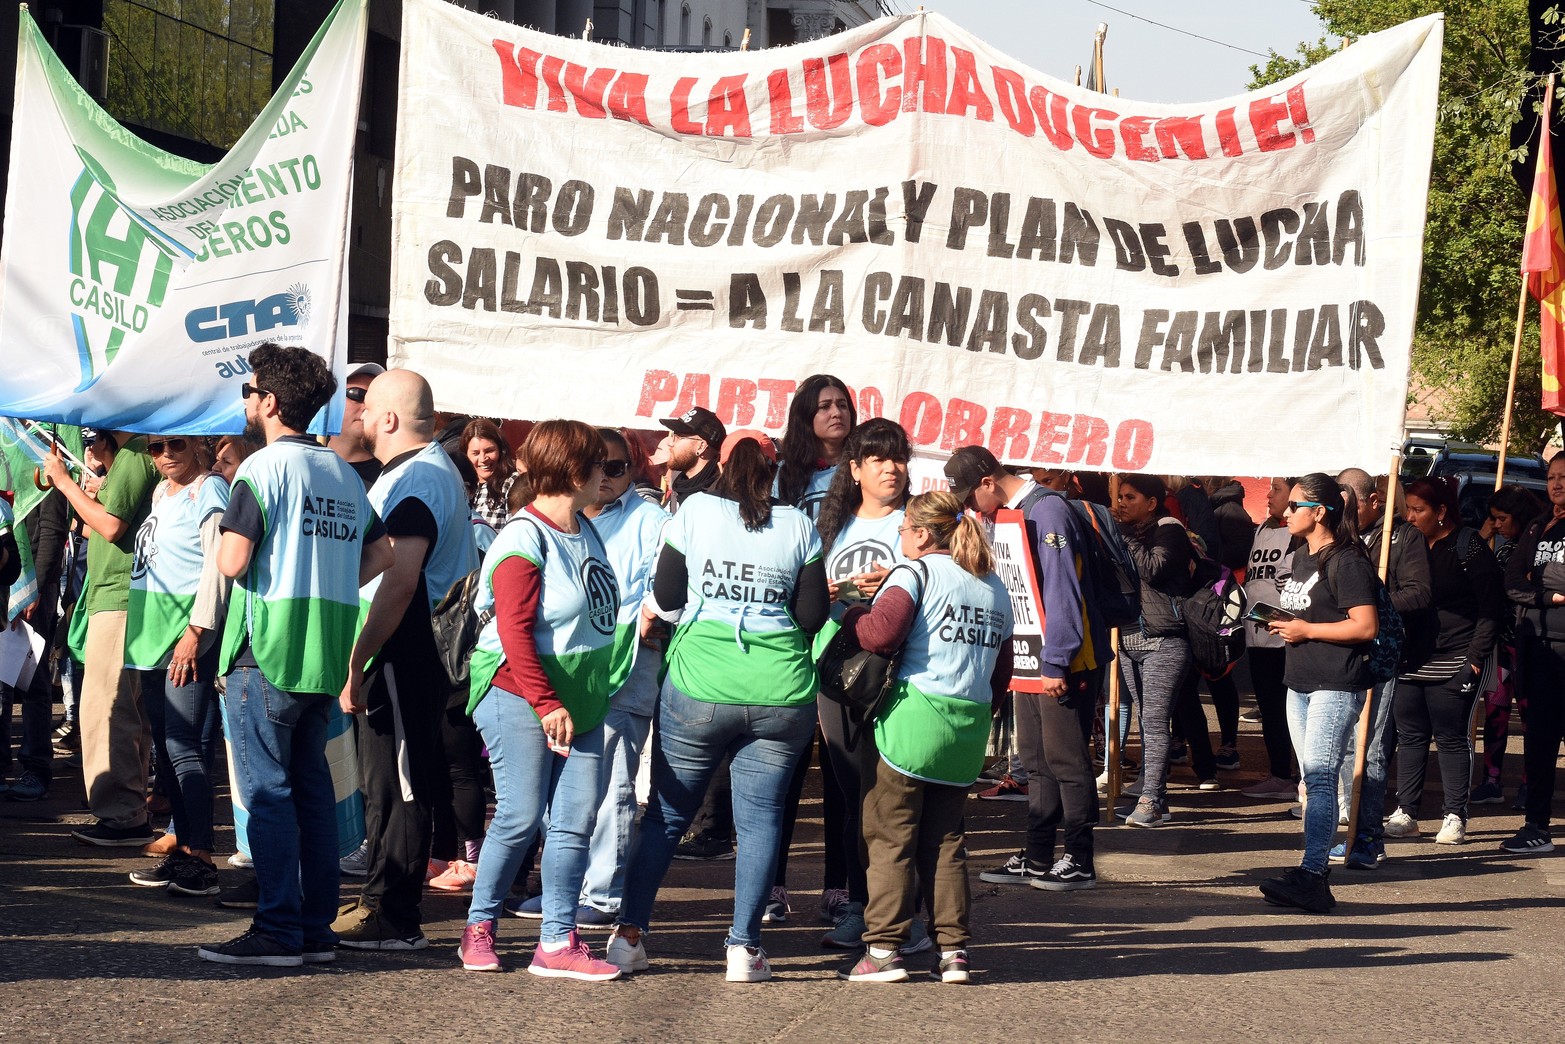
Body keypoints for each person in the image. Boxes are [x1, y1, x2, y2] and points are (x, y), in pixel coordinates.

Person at [605, 430, 829, 983]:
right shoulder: (799, 525)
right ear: (772, 469)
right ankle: (743, 948)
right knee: (759, 824)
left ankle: (630, 936)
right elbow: (811, 616)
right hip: (780, 692)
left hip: (699, 683)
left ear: (721, 464)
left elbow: (670, 597)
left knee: (665, 816)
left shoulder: (696, 510)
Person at [197, 343, 392, 967]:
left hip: (268, 649)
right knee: (309, 792)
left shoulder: (262, 468)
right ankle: (314, 927)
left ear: (272, 403)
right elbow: (382, 555)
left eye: (249, 393)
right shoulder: (340, 470)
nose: (246, 403)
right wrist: (329, 575)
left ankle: (278, 929)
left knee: (269, 795)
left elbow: (231, 562)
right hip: (325, 652)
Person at [456, 420, 630, 979]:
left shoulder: (585, 528)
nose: (608, 473)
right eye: (600, 464)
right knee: (520, 814)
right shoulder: (522, 537)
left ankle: (557, 942)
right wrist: (546, 701)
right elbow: (513, 630)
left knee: (574, 820)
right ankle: (478, 928)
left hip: (579, 700)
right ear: (574, 470)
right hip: (518, 691)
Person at [837, 491, 1013, 984]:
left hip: (912, 723)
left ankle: (883, 951)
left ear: (920, 532)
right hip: (967, 729)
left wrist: (850, 612)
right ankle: (953, 951)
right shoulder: (994, 587)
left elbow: (880, 634)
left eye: (903, 529)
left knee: (890, 836)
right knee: (946, 840)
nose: (899, 536)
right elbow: (1001, 671)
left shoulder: (914, 574)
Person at [333, 369, 480, 950]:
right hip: (407, 651)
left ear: (390, 419)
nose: (362, 418)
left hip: (404, 650)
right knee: (388, 781)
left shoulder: (416, 479)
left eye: (367, 408)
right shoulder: (420, 474)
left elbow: (398, 580)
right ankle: (378, 898)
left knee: (398, 784)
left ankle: (393, 913)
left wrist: (356, 659)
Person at [949, 447, 1110, 891]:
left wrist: (1056, 659)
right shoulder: (1006, 513)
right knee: (1035, 761)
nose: (968, 507)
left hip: (1064, 658)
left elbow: (1063, 589)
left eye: (968, 496)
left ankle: (1079, 858)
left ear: (988, 482)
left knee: (1067, 760)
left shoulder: (1049, 510)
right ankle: (1038, 856)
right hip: (1028, 655)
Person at [1257, 473, 1379, 914]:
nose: (1286, 513)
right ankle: (1309, 870)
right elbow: (1306, 611)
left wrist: (1307, 629)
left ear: (1319, 511)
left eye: (1294, 506)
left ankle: (1314, 875)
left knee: (1322, 776)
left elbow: (1365, 625)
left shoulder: (1346, 560)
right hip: (1301, 681)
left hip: (1336, 682)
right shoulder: (1303, 555)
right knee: (1311, 780)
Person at [811, 417, 912, 947]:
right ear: (855, 469)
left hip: (902, 677)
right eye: (877, 459)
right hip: (838, 672)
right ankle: (857, 904)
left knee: (895, 796)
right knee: (853, 796)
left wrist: (893, 586)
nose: (890, 468)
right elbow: (803, 602)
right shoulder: (831, 526)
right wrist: (826, 590)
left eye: (897, 457)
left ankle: (900, 911)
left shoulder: (918, 523)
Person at [123, 435, 231, 897]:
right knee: (167, 752)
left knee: (185, 748)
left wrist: (197, 630)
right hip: (150, 633)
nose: (166, 453)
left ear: (199, 446)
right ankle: (184, 850)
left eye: (177, 444)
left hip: (182, 636)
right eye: (155, 447)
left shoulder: (209, 489)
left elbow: (218, 564)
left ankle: (202, 858)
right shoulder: (160, 492)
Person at [44, 430, 158, 847]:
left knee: (108, 708)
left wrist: (65, 482)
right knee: (125, 708)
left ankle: (123, 815)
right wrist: (92, 491)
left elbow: (110, 526)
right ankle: (128, 810)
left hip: (118, 595)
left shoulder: (134, 453)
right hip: (118, 593)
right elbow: (101, 525)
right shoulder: (131, 455)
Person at [575, 427, 670, 922]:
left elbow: (667, 588)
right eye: (599, 465)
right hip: (574, 669)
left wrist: (650, 615)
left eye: (618, 467)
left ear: (632, 471)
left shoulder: (651, 519)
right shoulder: (567, 517)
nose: (607, 476)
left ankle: (602, 893)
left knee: (613, 782)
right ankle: (570, 887)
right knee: (573, 783)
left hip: (627, 670)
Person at [1383, 476, 1503, 846]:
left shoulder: (1466, 546)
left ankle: (1455, 815)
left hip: (1457, 656)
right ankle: (1407, 811)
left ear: (1441, 512)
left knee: (1452, 737)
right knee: (1411, 735)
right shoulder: (1404, 543)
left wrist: (1475, 659)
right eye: (1407, 509)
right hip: (1412, 658)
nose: (1411, 517)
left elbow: (1492, 607)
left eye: (1418, 510)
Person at [1330, 468, 1432, 869]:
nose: (1345, 512)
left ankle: (1368, 837)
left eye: (1351, 504)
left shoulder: (1403, 536)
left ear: (1374, 501)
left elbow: (1419, 593)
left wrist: (1373, 606)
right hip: (1341, 651)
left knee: (1369, 747)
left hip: (1380, 652)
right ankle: (1350, 827)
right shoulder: (1341, 539)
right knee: (1342, 745)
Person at [1111, 474, 1196, 827]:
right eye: (1119, 497)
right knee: (1145, 722)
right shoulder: (1120, 534)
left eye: (1130, 497)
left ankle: (1150, 801)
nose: (1121, 503)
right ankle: (1156, 798)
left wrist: (1125, 536)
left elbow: (1153, 568)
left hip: (1163, 640)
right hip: (1129, 640)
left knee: (1157, 722)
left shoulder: (1169, 529)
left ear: (1151, 502)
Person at [1500, 454, 1565, 855]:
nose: (1557, 484)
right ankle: (1536, 826)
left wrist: (1542, 583)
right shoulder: (1539, 525)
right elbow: (1512, 579)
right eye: (1553, 477)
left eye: (1564, 477)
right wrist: (1546, 595)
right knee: (1539, 741)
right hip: (1538, 648)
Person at [1472, 485, 1543, 805]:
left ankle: (1530, 782)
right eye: (1493, 519)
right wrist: (1482, 536)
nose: (1497, 524)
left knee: (1531, 716)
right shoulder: (1501, 549)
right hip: (1500, 645)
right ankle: (1491, 779)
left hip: (1530, 645)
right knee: (1496, 713)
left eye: (1502, 519)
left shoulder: (1538, 547)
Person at [1239, 477, 1301, 802]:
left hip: (1288, 639)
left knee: (1291, 711)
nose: (1269, 494)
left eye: (1276, 489)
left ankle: (1298, 778)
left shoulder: (1298, 532)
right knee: (1268, 708)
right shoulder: (1262, 529)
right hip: (1258, 637)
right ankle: (1278, 774)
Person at [775, 373, 856, 520]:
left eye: (842, 405)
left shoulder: (864, 468)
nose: (837, 413)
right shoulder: (784, 473)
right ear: (805, 416)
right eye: (825, 406)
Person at [326, 362, 386, 489]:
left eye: (378, 399)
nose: (368, 405)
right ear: (330, 402)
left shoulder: (395, 476)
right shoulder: (305, 466)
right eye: (357, 394)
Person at [654, 406, 725, 512]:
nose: (670, 443)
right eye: (673, 436)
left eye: (679, 437)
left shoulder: (719, 498)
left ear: (701, 447)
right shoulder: (678, 488)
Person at [464, 418, 518, 529]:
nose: (483, 459)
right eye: (476, 453)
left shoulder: (511, 483)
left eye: (489, 451)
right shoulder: (461, 484)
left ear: (500, 450)